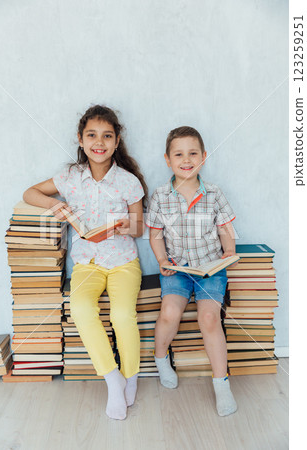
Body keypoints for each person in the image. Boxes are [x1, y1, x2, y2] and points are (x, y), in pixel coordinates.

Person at [23, 105, 148, 421]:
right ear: (80, 139)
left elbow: (139, 226)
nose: (99, 142)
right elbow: (30, 193)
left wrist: (122, 226)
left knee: (122, 315)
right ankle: (112, 379)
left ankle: (131, 375)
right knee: (79, 309)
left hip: (123, 262)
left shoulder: (128, 181)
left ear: (117, 141)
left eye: (107, 136)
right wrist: (56, 205)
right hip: (86, 264)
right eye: (92, 135)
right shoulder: (70, 177)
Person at [146, 126, 237, 417]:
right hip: (177, 269)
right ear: (168, 160)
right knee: (170, 313)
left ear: (203, 157)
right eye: (179, 154)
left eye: (193, 153)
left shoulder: (214, 193)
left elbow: (225, 228)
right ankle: (161, 359)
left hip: (210, 269)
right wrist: (161, 259)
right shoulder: (161, 196)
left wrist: (229, 252)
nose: (186, 159)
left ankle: (221, 383)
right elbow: (155, 234)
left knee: (209, 317)